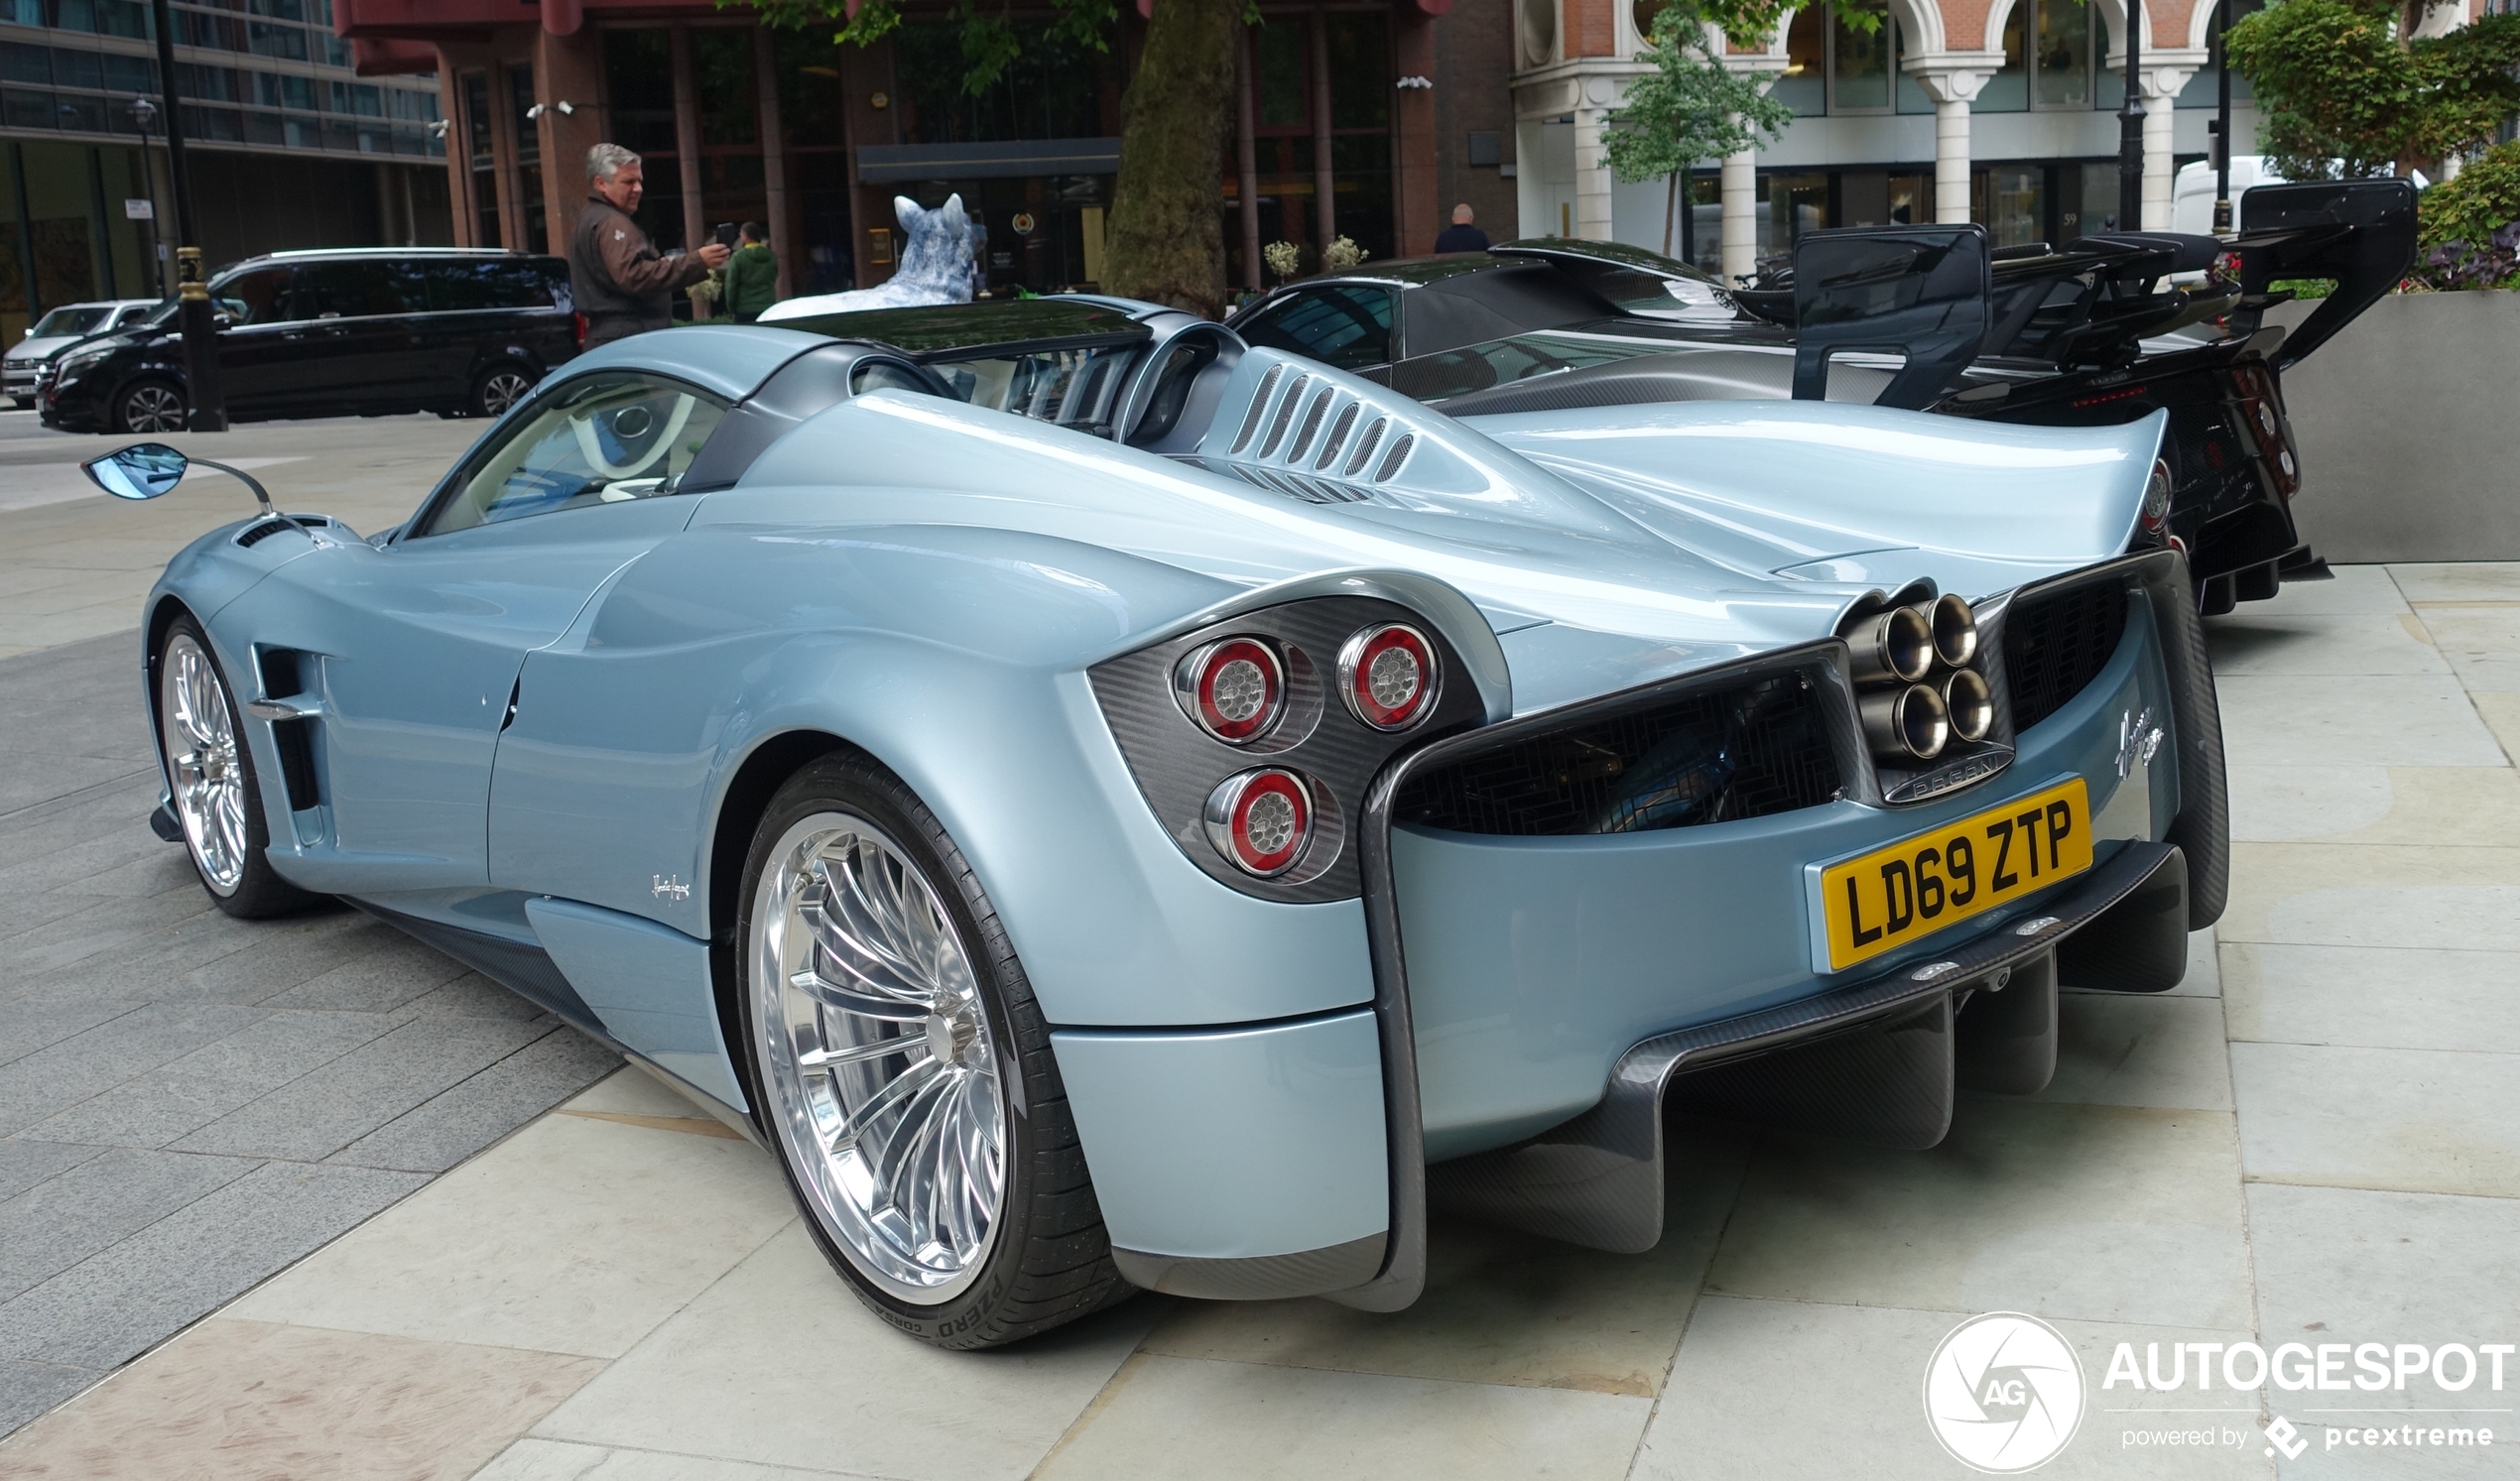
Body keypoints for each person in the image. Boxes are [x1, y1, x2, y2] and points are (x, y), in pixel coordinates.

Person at [568, 143, 729, 347]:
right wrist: (697, 261)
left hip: (616, 335)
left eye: (639, 181)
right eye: (629, 182)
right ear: (601, 184)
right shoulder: (611, 223)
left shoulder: (592, 218)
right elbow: (634, 276)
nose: (638, 189)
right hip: (628, 336)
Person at [723, 221, 779, 322]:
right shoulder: (771, 256)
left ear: (745, 236)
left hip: (744, 308)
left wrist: (731, 308)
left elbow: (731, 285)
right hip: (767, 306)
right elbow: (774, 277)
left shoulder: (738, 257)